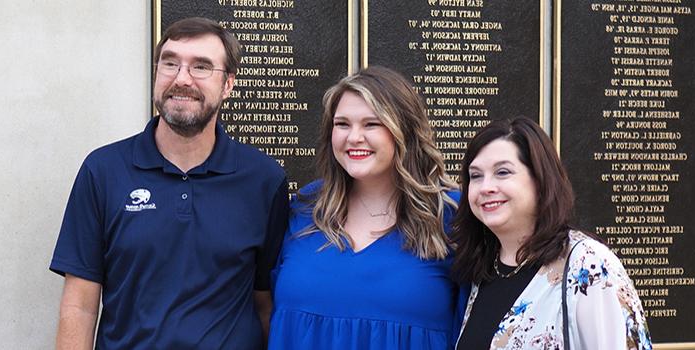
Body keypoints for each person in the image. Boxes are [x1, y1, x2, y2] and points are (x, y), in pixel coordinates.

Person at [49, 17, 288, 349]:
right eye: (170, 63)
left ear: (228, 84)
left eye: (201, 67)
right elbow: (80, 306)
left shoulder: (264, 180)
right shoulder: (103, 171)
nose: (182, 79)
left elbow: (266, 304)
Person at [268, 66, 465, 349]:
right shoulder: (305, 208)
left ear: (404, 131)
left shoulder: (448, 215)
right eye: (342, 124)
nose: (354, 137)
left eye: (371, 124)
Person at [452, 118, 652, 349]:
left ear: (540, 179)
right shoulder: (483, 269)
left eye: (503, 172)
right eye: (476, 176)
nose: (486, 187)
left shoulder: (588, 264)